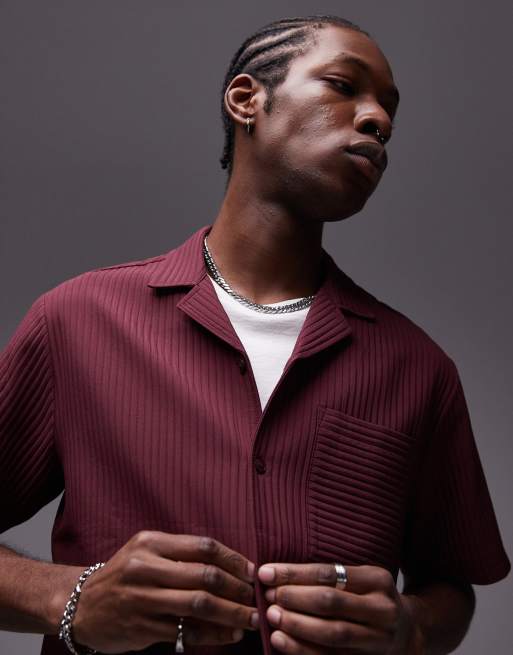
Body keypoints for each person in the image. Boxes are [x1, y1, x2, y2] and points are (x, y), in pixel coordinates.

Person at [0, 13, 510, 655]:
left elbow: (450, 586)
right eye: (344, 86)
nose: (378, 119)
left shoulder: (419, 369)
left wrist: (411, 629)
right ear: (247, 100)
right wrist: (70, 598)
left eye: (390, 110)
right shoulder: (76, 321)